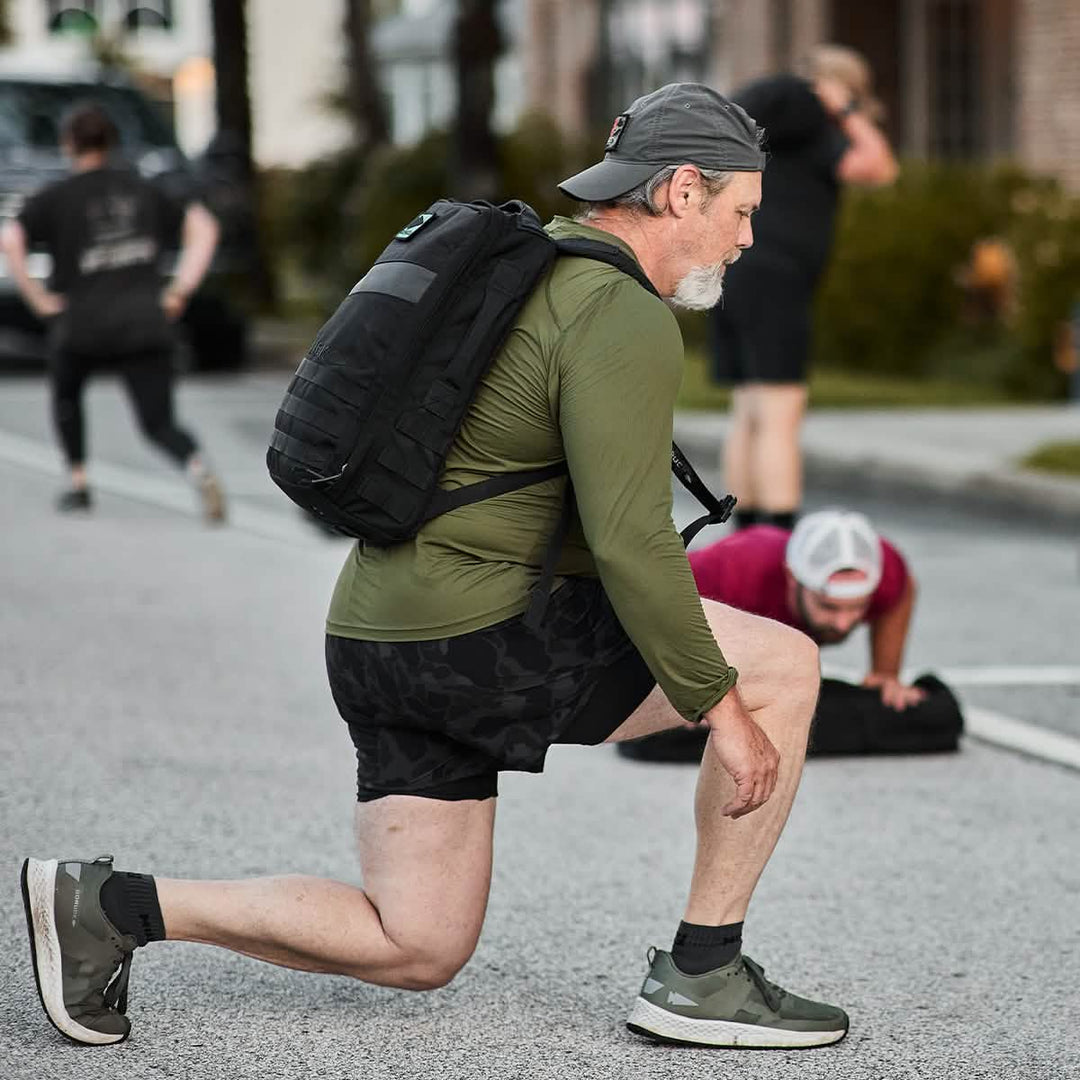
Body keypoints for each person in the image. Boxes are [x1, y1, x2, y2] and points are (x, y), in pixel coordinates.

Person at [22, 84, 851, 1052]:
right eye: (742, 210)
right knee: (783, 667)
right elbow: (632, 542)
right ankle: (705, 971)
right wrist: (724, 711)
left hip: (379, 635)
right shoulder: (619, 313)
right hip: (479, 637)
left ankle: (107, 906)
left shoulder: (521, 273)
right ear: (679, 193)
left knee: (415, 943)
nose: (748, 239)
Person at [0, 103, 226, 520]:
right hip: (144, 320)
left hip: (80, 322)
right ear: (111, 142)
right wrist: (180, 289)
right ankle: (196, 465)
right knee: (157, 421)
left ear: (69, 144)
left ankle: (78, 482)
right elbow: (204, 227)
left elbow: (11, 239)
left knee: (67, 394)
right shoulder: (143, 189)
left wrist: (37, 298)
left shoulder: (55, 198)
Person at [711, 45, 898, 531]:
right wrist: (844, 109)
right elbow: (878, 166)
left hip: (736, 268)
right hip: (777, 279)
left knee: (749, 409)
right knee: (780, 414)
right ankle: (775, 540)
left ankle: (744, 533)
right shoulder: (818, 124)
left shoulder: (780, 126)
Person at [620, 510, 963, 763]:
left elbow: (901, 592)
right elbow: (653, 611)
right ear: (793, 580)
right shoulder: (736, 569)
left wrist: (886, 674)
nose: (844, 624)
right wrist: (687, 692)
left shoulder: (884, 568)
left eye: (856, 608)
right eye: (829, 607)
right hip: (662, 628)